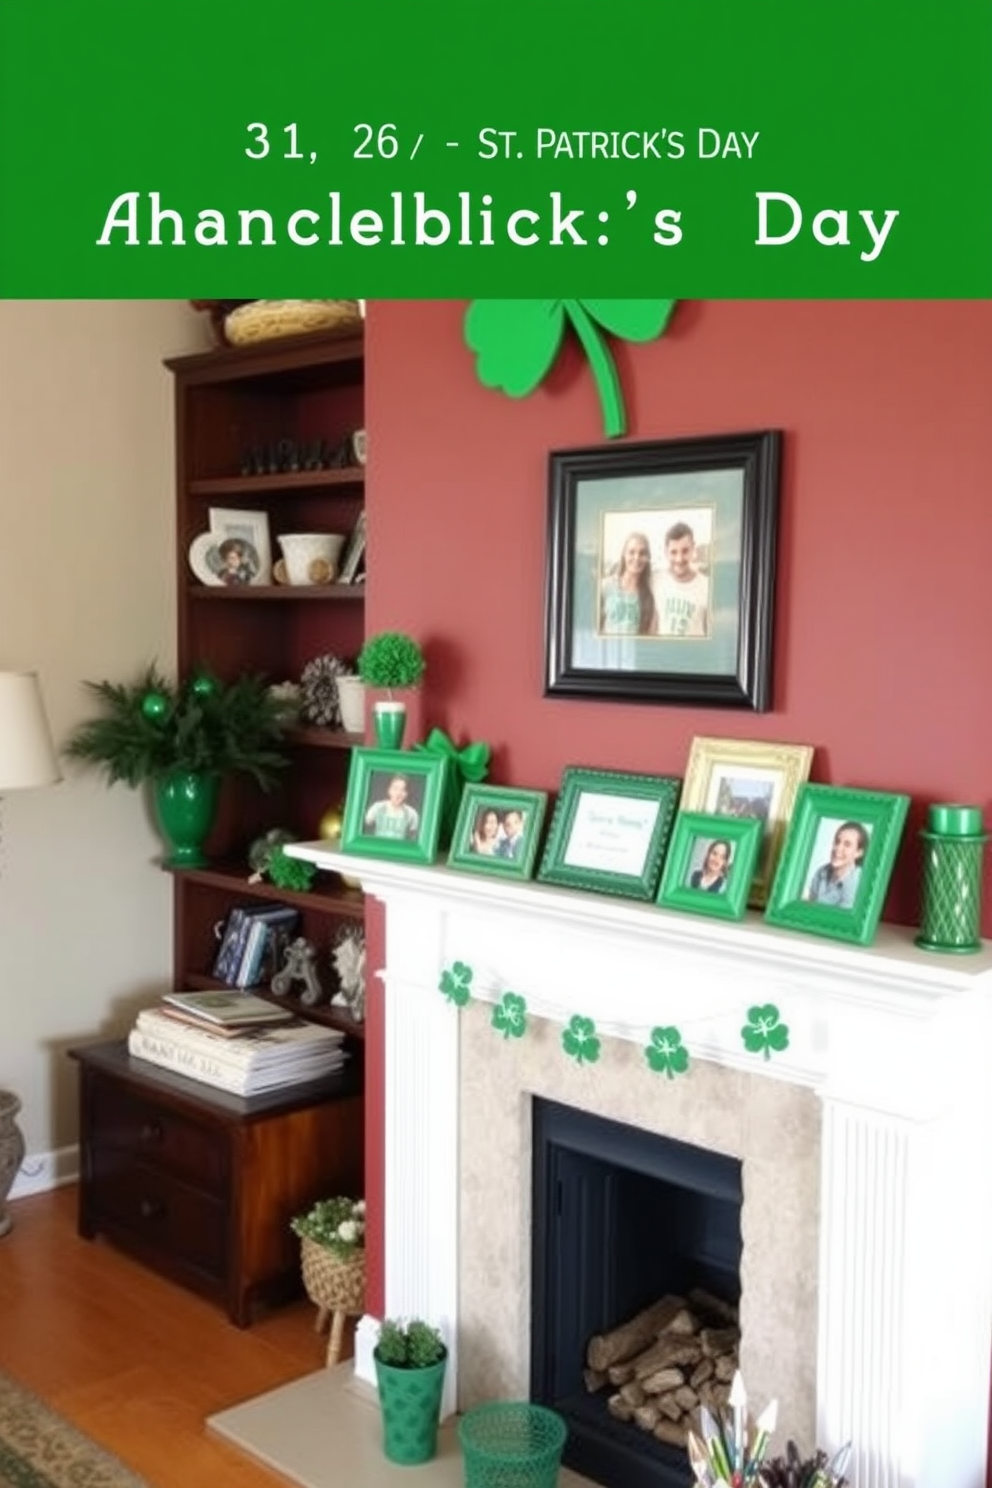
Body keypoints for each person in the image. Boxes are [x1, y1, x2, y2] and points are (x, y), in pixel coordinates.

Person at [655, 521, 710, 637]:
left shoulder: (707, 586)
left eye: (685, 551)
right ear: (665, 552)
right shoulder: (656, 582)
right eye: (673, 552)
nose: (679, 559)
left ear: (693, 548)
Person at [599, 531, 658, 636]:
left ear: (648, 558)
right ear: (624, 554)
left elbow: (650, 634)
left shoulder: (650, 593)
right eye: (631, 552)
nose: (637, 558)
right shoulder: (605, 586)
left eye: (642, 553)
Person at [805, 820, 869, 908]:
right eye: (837, 842)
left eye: (847, 844)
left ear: (859, 852)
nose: (838, 848)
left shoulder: (858, 883)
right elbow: (809, 906)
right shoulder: (821, 871)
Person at [364, 775, 420, 840]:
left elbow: (414, 836)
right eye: (395, 789)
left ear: (406, 794)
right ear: (389, 790)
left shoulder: (412, 813)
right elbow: (365, 826)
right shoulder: (377, 808)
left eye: (402, 790)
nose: (398, 793)